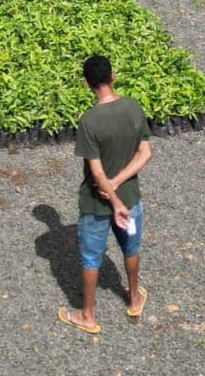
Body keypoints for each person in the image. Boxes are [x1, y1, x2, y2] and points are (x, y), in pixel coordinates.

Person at [58, 55, 152, 334]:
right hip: (130, 196)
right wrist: (120, 183)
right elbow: (145, 153)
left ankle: (88, 315)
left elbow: (97, 173)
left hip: (96, 202)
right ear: (113, 76)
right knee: (131, 248)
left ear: (87, 84)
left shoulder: (89, 121)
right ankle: (133, 299)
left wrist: (112, 196)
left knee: (91, 258)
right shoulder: (133, 107)